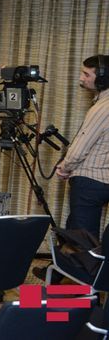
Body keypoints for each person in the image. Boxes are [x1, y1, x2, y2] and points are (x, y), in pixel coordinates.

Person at [56, 54, 109, 239]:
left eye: (87, 74)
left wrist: (64, 167)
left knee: (82, 239)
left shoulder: (102, 108)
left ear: (102, 78)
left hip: (89, 183)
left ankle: (80, 259)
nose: (81, 78)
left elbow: (80, 149)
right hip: (103, 181)